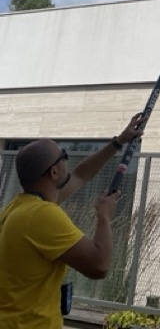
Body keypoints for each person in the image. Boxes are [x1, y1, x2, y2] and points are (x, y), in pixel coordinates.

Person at [0, 113, 145, 329]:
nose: (67, 160)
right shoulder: (42, 216)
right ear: (54, 172)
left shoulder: (18, 208)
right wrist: (104, 216)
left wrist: (119, 141)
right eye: (64, 155)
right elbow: (99, 266)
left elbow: (80, 175)